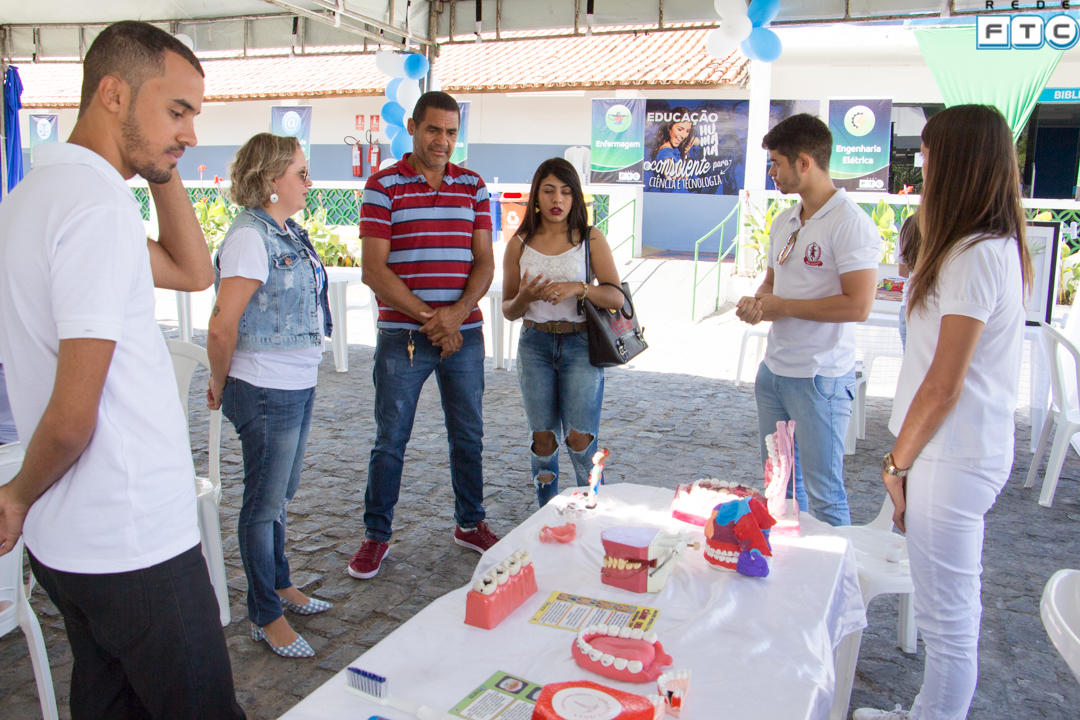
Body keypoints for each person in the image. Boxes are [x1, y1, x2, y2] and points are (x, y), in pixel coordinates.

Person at [0, 21, 246, 718]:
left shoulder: (34, 198)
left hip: (73, 545)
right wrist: (14, 495)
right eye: (177, 111)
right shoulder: (94, 209)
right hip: (131, 539)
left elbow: (194, 271)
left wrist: (155, 164)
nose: (192, 132)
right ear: (111, 93)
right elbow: (74, 417)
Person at [854, 106, 1031, 720]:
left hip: (950, 456)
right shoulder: (974, 247)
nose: (921, 165)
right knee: (940, 610)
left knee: (949, 620)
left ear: (956, 162)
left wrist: (896, 462)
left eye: (929, 154)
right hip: (946, 453)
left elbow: (944, 383)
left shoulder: (977, 254)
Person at [348, 91, 498, 580]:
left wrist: (455, 316)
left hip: (465, 337)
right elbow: (375, 269)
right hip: (402, 337)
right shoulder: (382, 186)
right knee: (390, 439)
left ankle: (470, 523)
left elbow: (484, 262)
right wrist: (432, 319)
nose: (443, 141)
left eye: (452, 132)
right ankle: (376, 535)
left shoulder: (473, 187)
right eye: (434, 130)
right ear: (412, 127)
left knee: (469, 435)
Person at [206, 134, 333, 658]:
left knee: (279, 494)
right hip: (263, 386)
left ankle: (279, 584)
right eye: (301, 173)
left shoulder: (285, 230)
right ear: (271, 179)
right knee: (262, 504)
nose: (308, 181)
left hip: (295, 380)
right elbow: (221, 326)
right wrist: (220, 382)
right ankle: (265, 613)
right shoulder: (249, 238)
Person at [735, 113, 879, 527]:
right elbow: (772, 282)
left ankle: (838, 587)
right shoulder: (786, 220)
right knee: (779, 487)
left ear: (804, 163)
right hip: (775, 372)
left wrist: (783, 306)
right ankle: (785, 576)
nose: (772, 173)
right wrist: (758, 303)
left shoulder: (850, 223)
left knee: (825, 493)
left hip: (821, 378)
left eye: (776, 163)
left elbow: (858, 306)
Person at [500, 158, 625, 506]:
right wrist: (525, 296)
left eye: (567, 192)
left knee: (580, 439)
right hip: (534, 345)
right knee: (542, 439)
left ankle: (594, 509)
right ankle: (548, 513)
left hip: (580, 345)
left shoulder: (590, 238)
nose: (558, 199)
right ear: (536, 196)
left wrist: (577, 288)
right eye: (549, 190)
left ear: (575, 198)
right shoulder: (519, 243)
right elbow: (509, 310)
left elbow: (615, 296)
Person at [644, 106, 701, 193]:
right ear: (669, 127)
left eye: (687, 131)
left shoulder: (677, 148)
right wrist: (670, 166)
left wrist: (691, 141)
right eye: (679, 129)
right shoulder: (665, 150)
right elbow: (667, 158)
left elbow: (697, 141)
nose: (683, 135)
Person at [896, 213, 920, 350]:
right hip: (936, 307)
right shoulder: (952, 224)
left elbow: (902, 271)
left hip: (909, 302)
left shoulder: (911, 222)